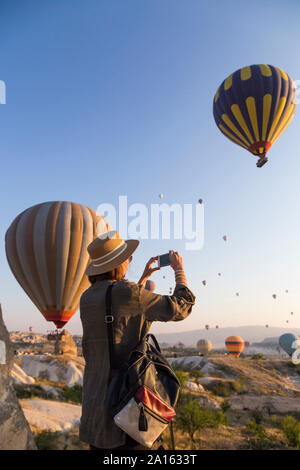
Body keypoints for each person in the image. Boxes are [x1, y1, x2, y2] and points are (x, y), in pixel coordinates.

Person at [79, 231, 195, 450]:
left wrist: (142, 279)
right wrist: (179, 271)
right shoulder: (130, 294)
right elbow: (181, 307)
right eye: (128, 258)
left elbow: (116, 308)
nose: (129, 261)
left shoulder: (87, 298)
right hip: (129, 410)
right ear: (119, 263)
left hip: (96, 413)